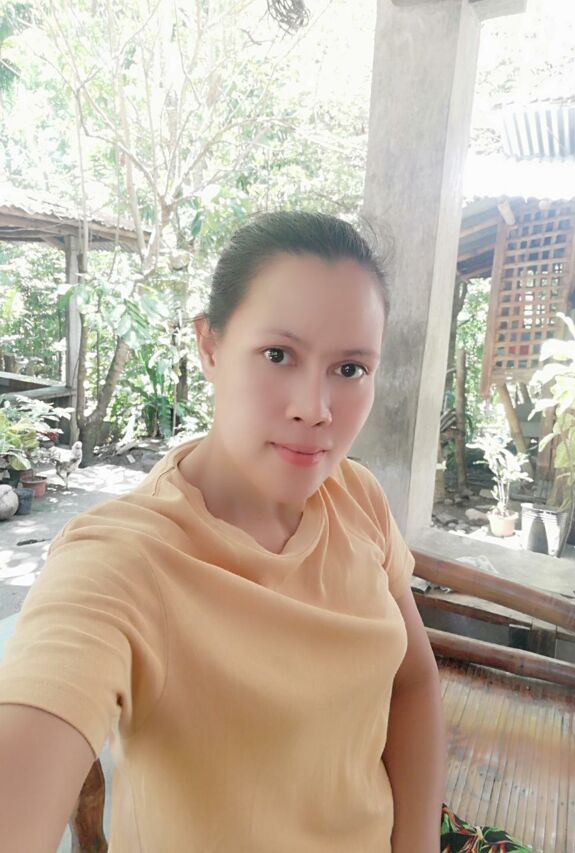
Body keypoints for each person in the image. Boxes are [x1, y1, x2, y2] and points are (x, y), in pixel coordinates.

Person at [0, 211, 527, 853]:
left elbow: (411, 683)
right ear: (210, 347)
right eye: (278, 355)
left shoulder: (355, 498)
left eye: (350, 369)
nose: (315, 408)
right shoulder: (123, 562)